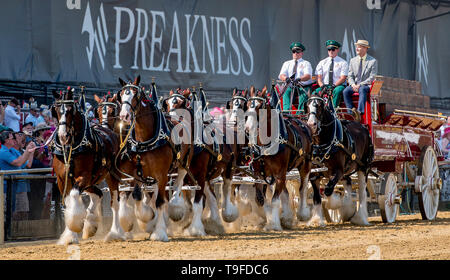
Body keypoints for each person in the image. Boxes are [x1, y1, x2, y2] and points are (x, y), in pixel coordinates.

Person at [0, 131, 36, 215]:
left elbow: (27, 163)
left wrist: (31, 152)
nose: (14, 140)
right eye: (12, 138)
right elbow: (18, 163)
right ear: (6, 140)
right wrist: (27, 151)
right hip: (6, 188)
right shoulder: (2, 152)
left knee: (21, 213)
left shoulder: (13, 150)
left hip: (17, 185)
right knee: (8, 212)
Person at [343, 40, 378, 117]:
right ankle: (351, 111)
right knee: (345, 91)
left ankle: (360, 112)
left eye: (359, 47)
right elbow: (350, 75)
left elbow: (372, 77)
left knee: (362, 89)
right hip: (354, 85)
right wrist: (352, 85)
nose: (357, 48)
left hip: (365, 85)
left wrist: (360, 85)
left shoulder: (372, 61)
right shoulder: (353, 60)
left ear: (365, 48)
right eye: (356, 47)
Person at [278, 42, 313, 113]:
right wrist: (286, 78)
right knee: (286, 91)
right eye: (294, 51)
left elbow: (308, 76)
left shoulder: (306, 63)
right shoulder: (287, 63)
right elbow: (281, 75)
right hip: (290, 86)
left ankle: (300, 114)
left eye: (298, 51)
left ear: (302, 53)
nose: (295, 53)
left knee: (304, 95)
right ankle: (286, 113)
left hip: (302, 86)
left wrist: (300, 79)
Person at [313, 40, 349, 108]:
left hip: (338, 85)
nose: (331, 51)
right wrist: (322, 86)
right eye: (329, 49)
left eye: (333, 49)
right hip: (325, 86)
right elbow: (318, 77)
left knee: (337, 91)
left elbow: (343, 78)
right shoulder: (322, 62)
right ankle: (316, 113)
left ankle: (333, 110)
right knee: (314, 93)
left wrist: (333, 85)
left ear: (337, 50)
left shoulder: (343, 62)